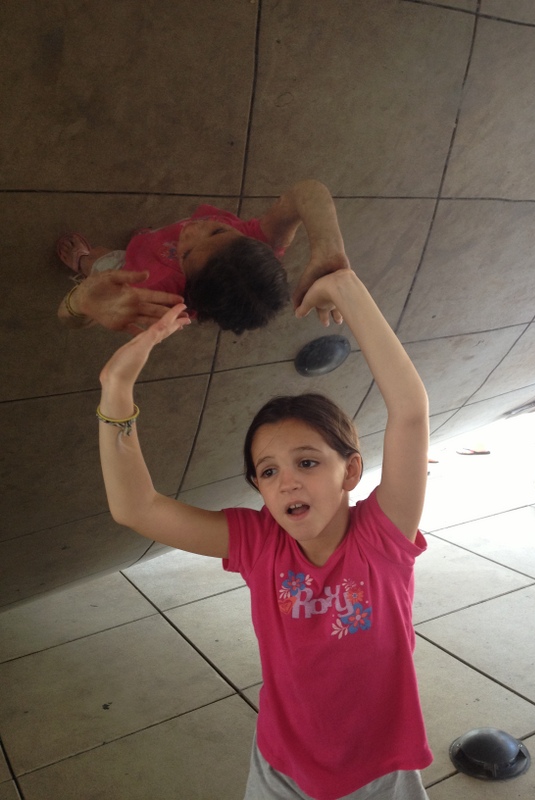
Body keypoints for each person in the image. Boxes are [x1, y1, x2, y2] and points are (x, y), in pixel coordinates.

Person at [97, 269, 432, 800]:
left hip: (380, 776)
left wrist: (346, 289)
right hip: (281, 772)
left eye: (307, 461)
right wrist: (116, 390)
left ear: (350, 471)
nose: (287, 481)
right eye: (269, 471)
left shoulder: (382, 537)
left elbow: (410, 413)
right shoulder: (259, 544)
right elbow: (136, 508)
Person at [57, 180, 348, 335]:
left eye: (185, 254)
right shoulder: (262, 238)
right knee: (151, 239)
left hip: (132, 268)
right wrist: (329, 249)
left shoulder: (160, 295)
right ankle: (145, 240)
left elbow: (86, 314)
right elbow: (307, 192)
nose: (192, 230)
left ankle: (84, 262)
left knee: (104, 262)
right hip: (154, 247)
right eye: (217, 231)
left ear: (190, 290)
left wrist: (82, 301)